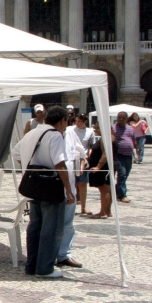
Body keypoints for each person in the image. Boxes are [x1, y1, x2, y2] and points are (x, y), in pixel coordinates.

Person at [17, 106, 74, 278]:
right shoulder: (55, 135)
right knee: (51, 228)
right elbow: (60, 164)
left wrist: (31, 166)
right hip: (50, 186)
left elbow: (15, 153)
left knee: (35, 226)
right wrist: (69, 191)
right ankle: (45, 268)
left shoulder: (32, 132)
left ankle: (32, 264)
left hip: (34, 186)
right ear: (62, 120)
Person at [55, 115, 88, 268]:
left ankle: (63, 255)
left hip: (70, 186)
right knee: (48, 223)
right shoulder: (45, 134)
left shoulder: (70, 134)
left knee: (67, 223)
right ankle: (46, 255)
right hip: (51, 188)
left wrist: (80, 166)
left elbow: (81, 154)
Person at [70, 114, 95, 215]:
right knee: (72, 183)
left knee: (83, 184)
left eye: (79, 121)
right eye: (76, 121)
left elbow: (91, 145)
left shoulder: (90, 131)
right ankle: (71, 206)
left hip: (83, 158)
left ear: (85, 122)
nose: (77, 123)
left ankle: (83, 207)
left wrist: (89, 155)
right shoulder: (71, 130)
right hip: (72, 158)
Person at [87, 123, 112, 218]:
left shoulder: (106, 139)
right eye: (95, 128)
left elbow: (105, 154)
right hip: (104, 167)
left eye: (97, 128)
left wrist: (98, 167)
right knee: (106, 189)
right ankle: (107, 211)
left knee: (104, 189)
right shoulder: (104, 138)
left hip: (104, 168)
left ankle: (103, 212)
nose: (95, 130)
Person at [111, 111, 135, 203]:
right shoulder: (113, 128)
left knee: (125, 175)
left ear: (126, 118)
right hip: (118, 155)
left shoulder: (130, 128)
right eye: (119, 117)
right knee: (122, 174)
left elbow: (133, 140)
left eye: (123, 117)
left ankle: (118, 190)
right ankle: (122, 195)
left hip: (129, 155)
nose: (121, 119)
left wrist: (136, 152)